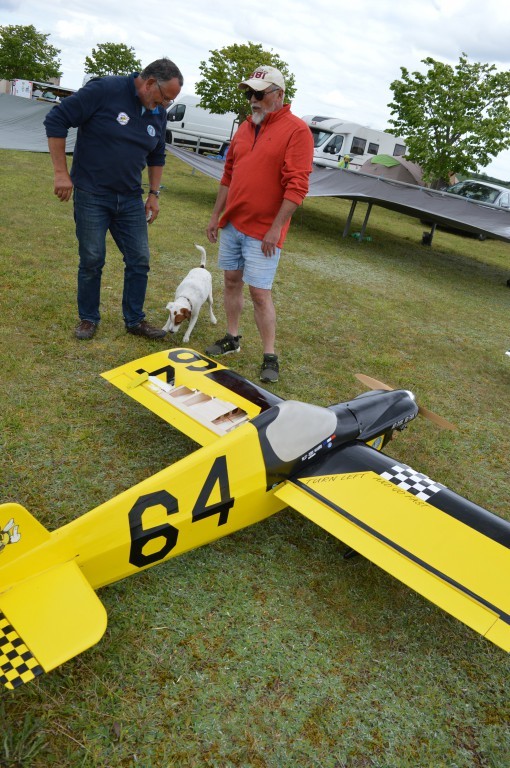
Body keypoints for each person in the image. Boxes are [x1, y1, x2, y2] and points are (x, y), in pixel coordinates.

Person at [44, 58, 183, 340]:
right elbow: (56, 119)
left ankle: (134, 320)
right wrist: (61, 173)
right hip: (92, 194)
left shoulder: (156, 111)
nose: (163, 105)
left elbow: (157, 154)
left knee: (139, 259)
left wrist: (154, 194)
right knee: (93, 258)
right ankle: (88, 318)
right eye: (163, 98)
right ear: (149, 83)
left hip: (130, 198)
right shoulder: (104, 90)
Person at [205, 64, 314, 383]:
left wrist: (275, 227)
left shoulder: (297, 131)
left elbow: (297, 186)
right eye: (250, 93)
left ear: (279, 95)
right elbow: (228, 175)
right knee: (230, 281)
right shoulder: (244, 127)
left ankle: (270, 355)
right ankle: (232, 338)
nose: (252, 99)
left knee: (260, 293)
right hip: (233, 225)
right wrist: (215, 216)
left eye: (259, 94)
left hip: (264, 232)